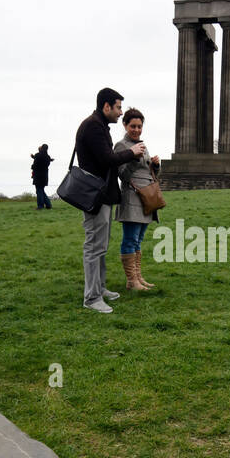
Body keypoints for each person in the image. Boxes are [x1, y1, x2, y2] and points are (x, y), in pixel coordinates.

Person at [75, 87, 145, 314]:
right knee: (95, 247)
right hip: (95, 196)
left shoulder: (99, 125)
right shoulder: (94, 126)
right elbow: (107, 159)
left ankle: (100, 287)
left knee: (101, 246)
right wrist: (132, 152)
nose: (119, 112)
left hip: (101, 194)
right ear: (106, 106)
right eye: (117, 107)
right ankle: (92, 297)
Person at [115, 107, 160, 291]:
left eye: (139, 126)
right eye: (132, 126)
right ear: (125, 125)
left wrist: (155, 166)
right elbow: (122, 175)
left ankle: (137, 278)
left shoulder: (143, 145)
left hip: (146, 198)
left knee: (138, 240)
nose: (136, 130)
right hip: (132, 197)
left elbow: (149, 174)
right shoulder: (121, 146)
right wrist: (133, 158)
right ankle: (132, 281)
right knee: (130, 240)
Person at [30, 144, 53, 209]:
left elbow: (35, 165)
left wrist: (32, 167)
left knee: (39, 191)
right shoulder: (48, 157)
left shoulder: (37, 155)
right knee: (41, 190)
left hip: (38, 175)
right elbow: (42, 160)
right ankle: (48, 205)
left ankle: (40, 206)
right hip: (45, 176)